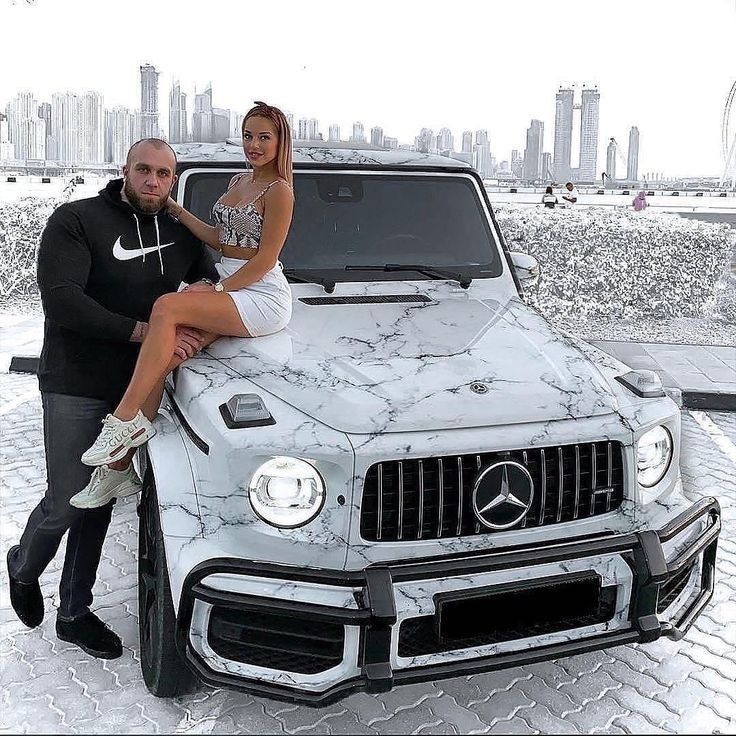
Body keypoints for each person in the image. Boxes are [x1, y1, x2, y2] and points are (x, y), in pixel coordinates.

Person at [6, 138, 218, 658]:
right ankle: (23, 563)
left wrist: (193, 329)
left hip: (139, 386)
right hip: (74, 380)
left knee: (101, 495)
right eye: (143, 170)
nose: (153, 181)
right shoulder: (76, 219)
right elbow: (61, 300)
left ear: (173, 181)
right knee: (67, 497)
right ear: (125, 170)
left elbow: (213, 284)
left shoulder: (177, 231)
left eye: (164, 174)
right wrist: (146, 333)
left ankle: (73, 612)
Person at [79, 102, 295, 483]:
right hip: (232, 284)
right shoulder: (237, 183)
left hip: (261, 294)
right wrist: (177, 211)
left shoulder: (280, 191)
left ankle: (122, 421)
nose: (254, 145)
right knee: (166, 353)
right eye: (248, 136)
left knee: (166, 308)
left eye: (264, 137)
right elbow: (222, 241)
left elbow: (264, 260)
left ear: (280, 141)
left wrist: (217, 289)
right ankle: (118, 467)